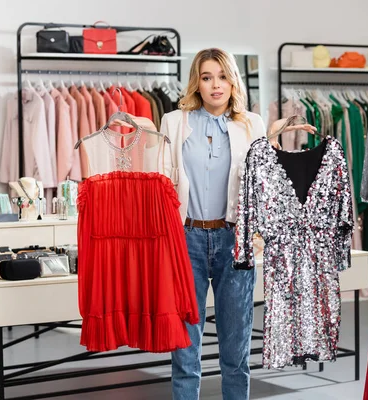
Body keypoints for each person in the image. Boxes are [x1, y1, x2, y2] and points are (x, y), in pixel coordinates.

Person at [112, 48, 315, 400]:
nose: (215, 85)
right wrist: (145, 135)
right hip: (184, 239)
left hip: (233, 239)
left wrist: (270, 140)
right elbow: (161, 176)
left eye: (221, 77)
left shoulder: (249, 123)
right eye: (206, 78)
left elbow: (260, 179)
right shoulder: (175, 122)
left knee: (235, 350)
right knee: (185, 350)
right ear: (197, 83)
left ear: (232, 80)